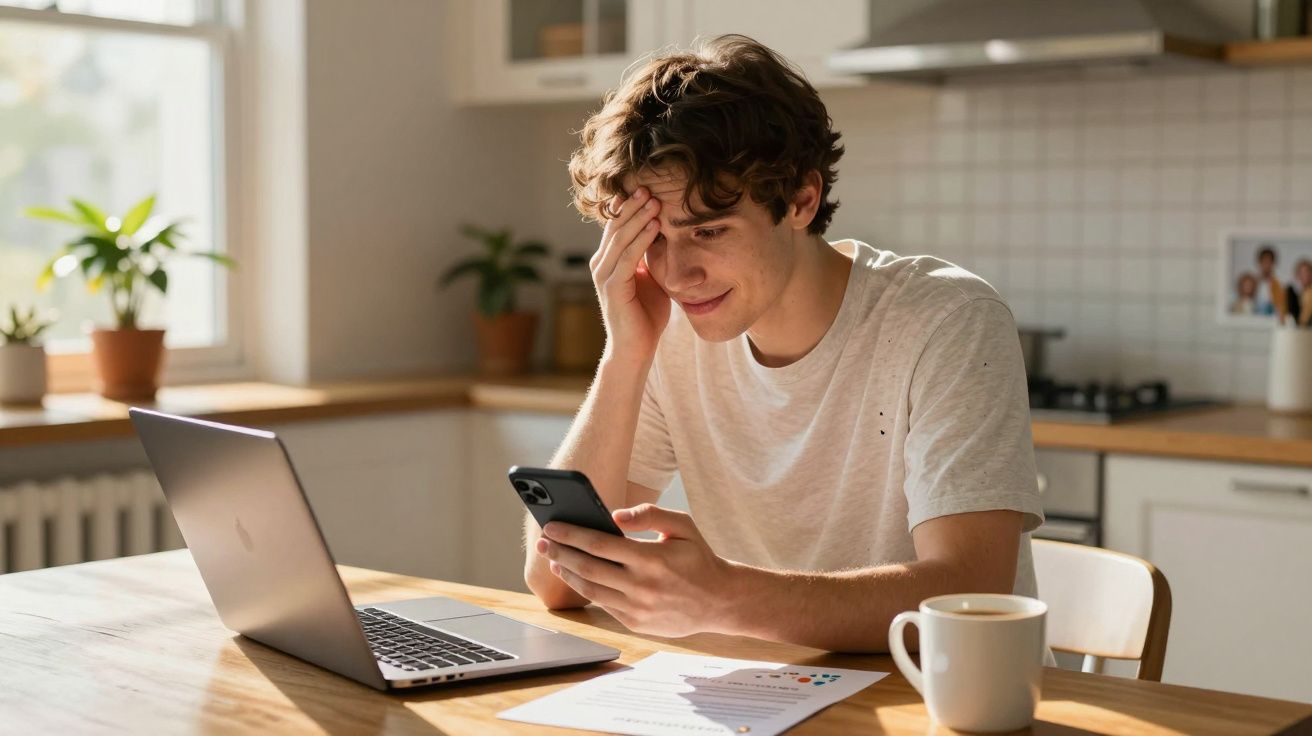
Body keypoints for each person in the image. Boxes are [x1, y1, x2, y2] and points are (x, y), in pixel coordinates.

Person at [522, 35, 1043, 653]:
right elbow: (556, 583)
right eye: (653, 239)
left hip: (940, 698)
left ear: (801, 199)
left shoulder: (946, 320)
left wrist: (723, 596)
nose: (676, 274)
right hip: (772, 696)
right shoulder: (671, 330)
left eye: (708, 230)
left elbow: (968, 597)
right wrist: (625, 352)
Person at [1255, 245, 1285, 317]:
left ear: (1273, 263)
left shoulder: (1280, 284)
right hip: (1255, 320)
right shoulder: (1253, 283)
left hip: (1273, 320)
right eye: (1264, 261)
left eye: (1269, 262)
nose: (1266, 265)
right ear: (1259, 262)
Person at [1284, 258, 1312, 327]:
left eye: (1307, 271)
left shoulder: (1309, 293)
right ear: (1297, 275)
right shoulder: (1295, 293)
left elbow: (1304, 320)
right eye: (1302, 272)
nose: (1305, 275)